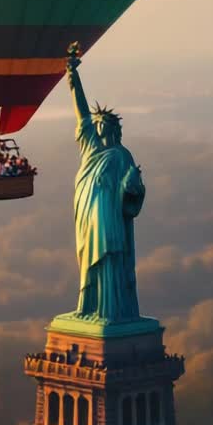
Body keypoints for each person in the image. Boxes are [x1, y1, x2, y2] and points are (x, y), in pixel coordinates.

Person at [65, 45, 145, 323]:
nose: (98, 128)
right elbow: (82, 115)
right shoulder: (90, 149)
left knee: (110, 256)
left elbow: (134, 194)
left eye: (103, 125)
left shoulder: (123, 156)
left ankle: (110, 310)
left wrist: (131, 187)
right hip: (88, 215)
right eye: (97, 125)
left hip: (109, 217)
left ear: (113, 129)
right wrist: (74, 79)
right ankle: (89, 306)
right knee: (88, 261)